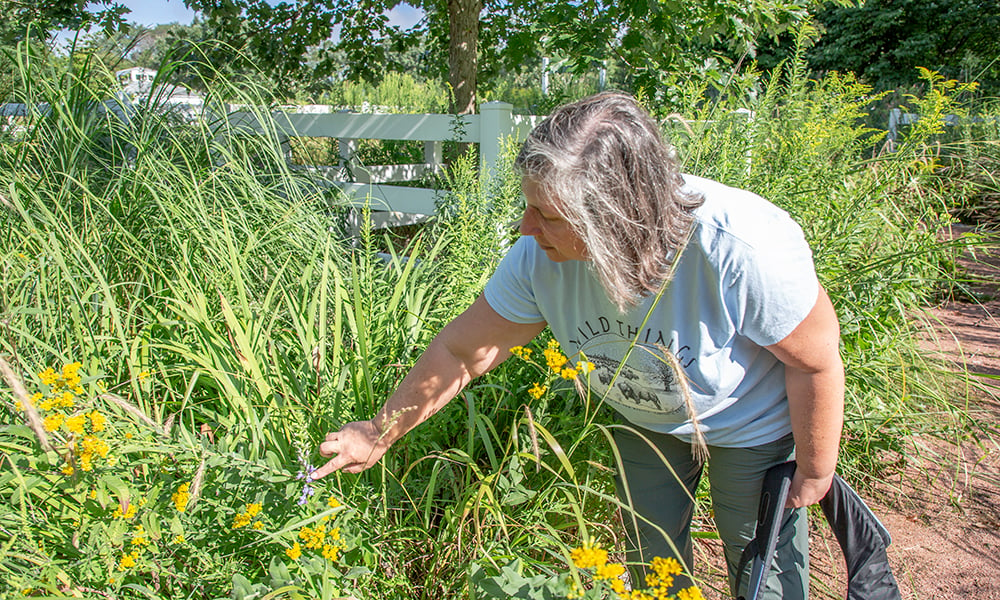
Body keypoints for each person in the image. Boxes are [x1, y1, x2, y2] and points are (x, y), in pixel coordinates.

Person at [309, 92, 844, 599]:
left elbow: (816, 362)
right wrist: (379, 432)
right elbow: (461, 353)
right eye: (529, 207)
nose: (525, 227)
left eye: (547, 215)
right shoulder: (537, 258)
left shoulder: (740, 249)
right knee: (649, 562)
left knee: (759, 567)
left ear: (613, 220)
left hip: (750, 423)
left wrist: (816, 469)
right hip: (646, 419)